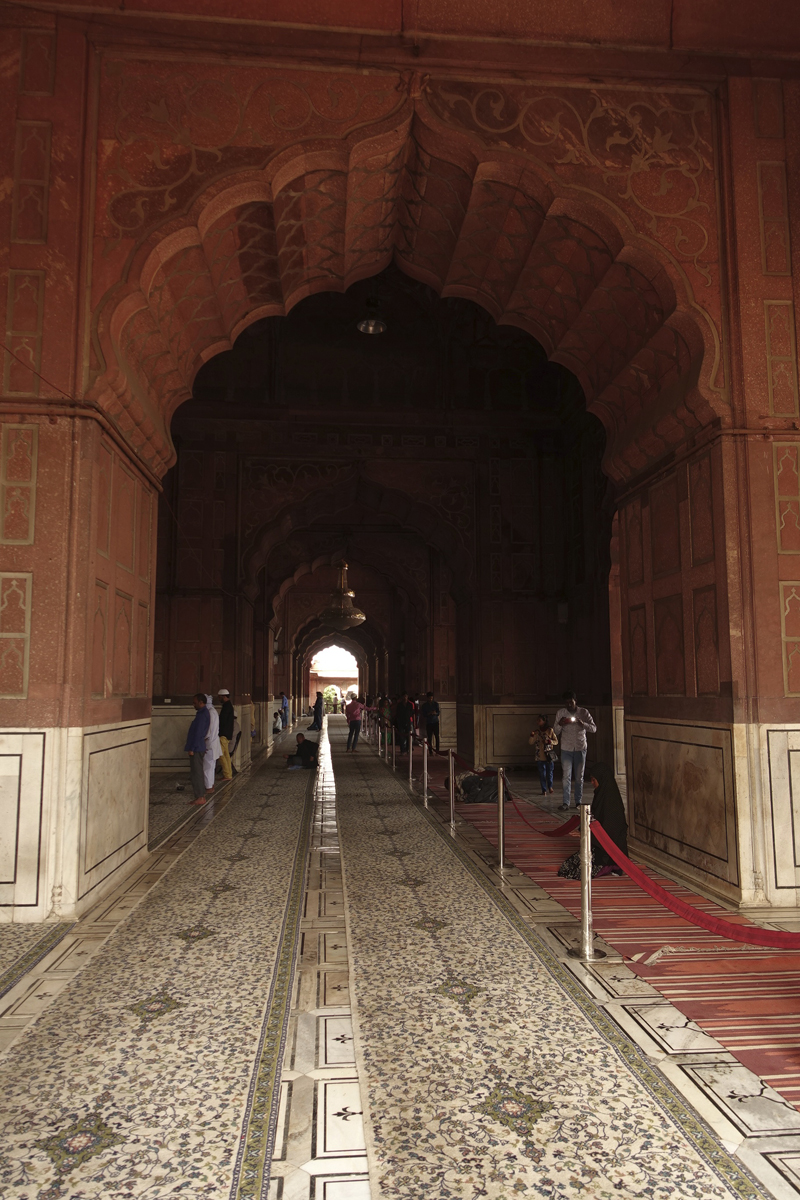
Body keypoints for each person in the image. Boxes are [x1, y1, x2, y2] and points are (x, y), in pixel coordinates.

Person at [557, 763, 627, 879]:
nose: (593, 783)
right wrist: (583, 830)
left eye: (594, 780)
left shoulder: (612, 802)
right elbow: (594, 817)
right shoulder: (601, 794)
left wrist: (587, 834)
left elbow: (610, 831)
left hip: (608, 852)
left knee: (581, 872)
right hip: (598, 845)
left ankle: (615, 865)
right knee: (567, 867)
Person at [554, 691, 596, 811]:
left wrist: (583, 724)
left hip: (580, 747)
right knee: (566, 776)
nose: (568, 705)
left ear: (575, 701)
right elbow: (555, 731)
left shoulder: (583, 712)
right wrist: (560, 724)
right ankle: (565, 802)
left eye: (570, 702)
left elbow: (594, 728)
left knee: (579, 777)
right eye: (566, 702)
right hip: (566, 748)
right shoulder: (561, 713)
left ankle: (578, 802)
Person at [184, 693, 211, 804]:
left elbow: (198, 733)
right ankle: (200, 795)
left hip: (197, 747)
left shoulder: (202, 714)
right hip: (198, 746)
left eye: (195, 703)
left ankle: (200, 797)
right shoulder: (202, 713)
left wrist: (192, 748)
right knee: (197, 771)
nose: (193, 705)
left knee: (197, 772)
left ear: (201, 702)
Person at [530, 714, 558, 795]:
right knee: (542, 774)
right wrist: (532, 735)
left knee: (550, 772)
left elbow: (556, 741)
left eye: (539, 720)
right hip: (539, 756)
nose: (537, 722)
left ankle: (550, 786)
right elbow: (531, 742)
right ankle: (544, 789)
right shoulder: (537, 732)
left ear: (544, 721)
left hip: (549, 755)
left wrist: (549, 741)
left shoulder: (550, 730)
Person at [204, 694, 221, 794]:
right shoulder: (213, 711)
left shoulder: (210, 713)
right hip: (213, 742)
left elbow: (209, 730)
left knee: (207, 767)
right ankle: (210, 784)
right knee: (211, 765)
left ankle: (209, 787)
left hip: (210, 743)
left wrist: (203, 738)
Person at [217, 688, 235, 782]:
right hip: (227, 734)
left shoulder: (226, 707)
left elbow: (222, 721)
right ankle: (229, 774)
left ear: (224, 696)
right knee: (226, 754)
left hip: (223, 734)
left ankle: (227, 774)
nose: (219, 699)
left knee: (221, 754)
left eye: (220, 697)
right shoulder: (228, 705)